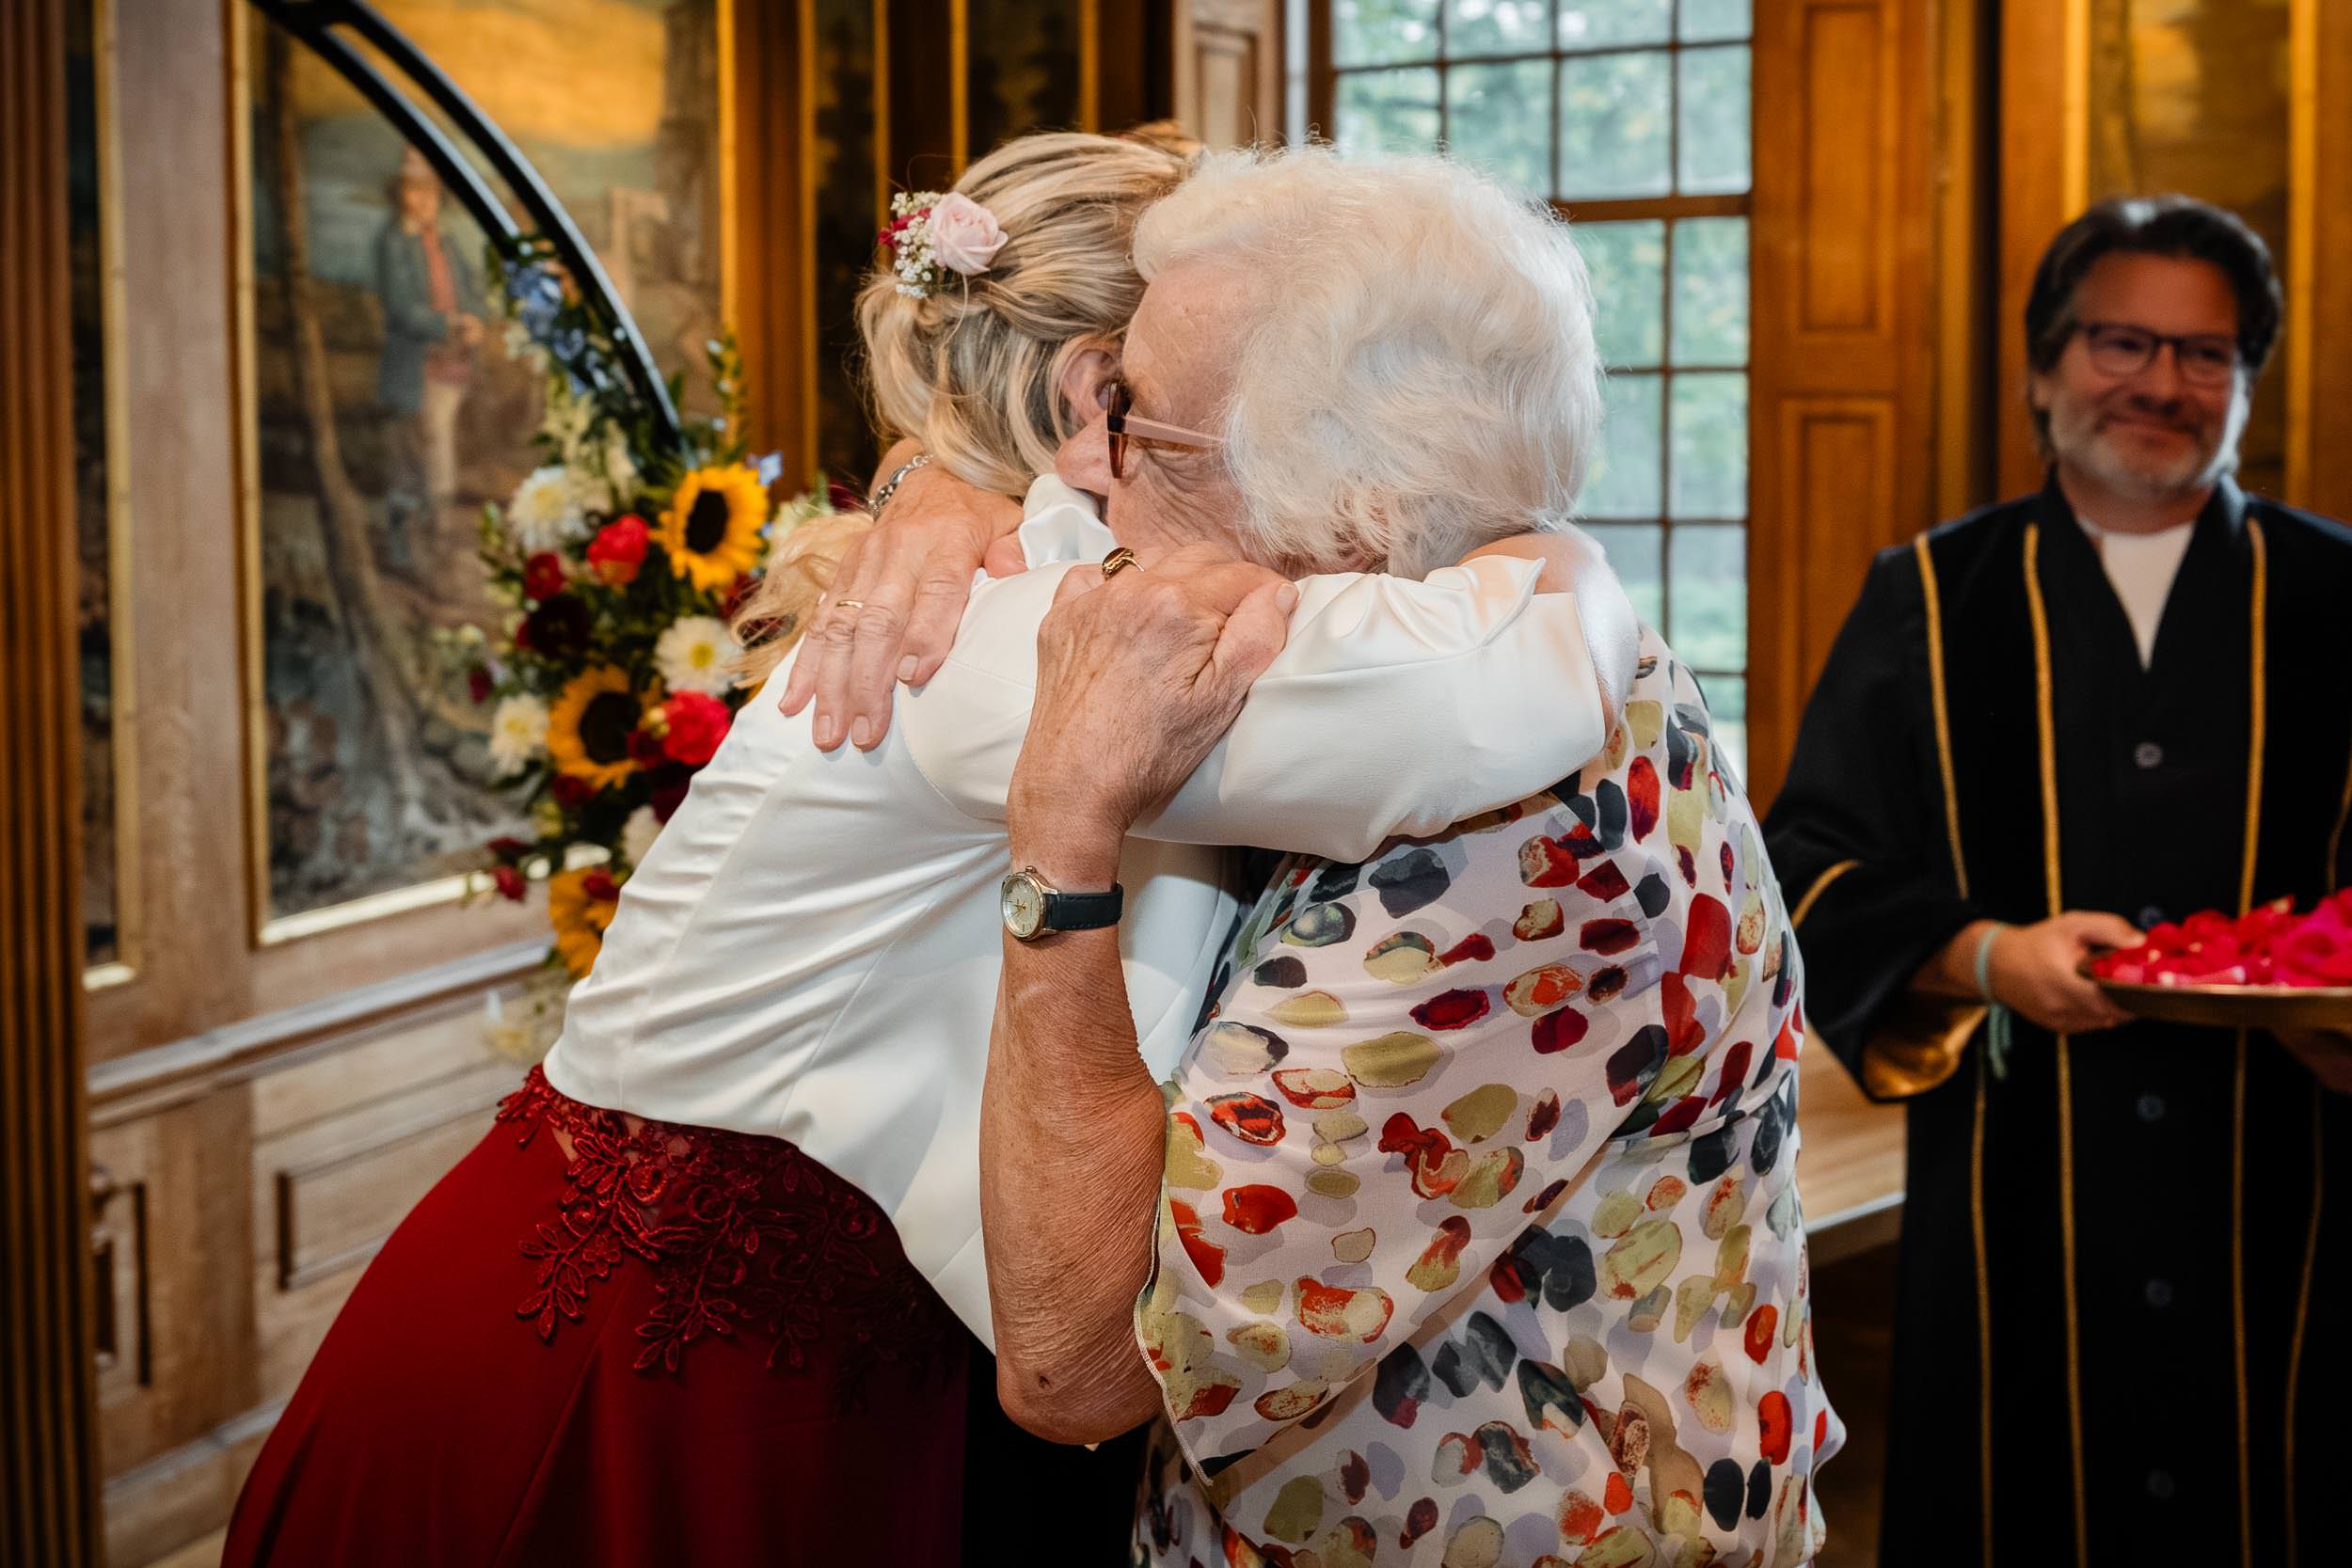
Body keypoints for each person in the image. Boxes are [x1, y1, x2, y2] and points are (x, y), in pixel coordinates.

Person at [224, 130, 1636, 1568]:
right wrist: (1567, 555)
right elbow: (1477, 693)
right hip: (621, 1368)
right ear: (1103, 401)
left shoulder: (1031, 572)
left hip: (837, 1364)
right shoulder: (1017, 627)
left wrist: (924, 475)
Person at [970, 146, 1840, 1566]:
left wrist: (1058, 843)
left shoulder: (1512, 841)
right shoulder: (1469, 672)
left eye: (1138, 426)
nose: (1088, 465)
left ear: (1351, 519)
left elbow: (1078, 1367)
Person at [1765, 194, 2352, 1565]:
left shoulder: (2338, 595)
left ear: (2248, 384)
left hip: (2297, 1180)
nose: (2161, 382)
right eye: (2122, 341)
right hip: (2017, 1174)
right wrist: (1981, 954)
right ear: (2042, 367)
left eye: (2207, 354)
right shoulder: (1930, 592)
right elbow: (1804, 862)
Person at [373, 147, 486, 578]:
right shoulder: (394, 245)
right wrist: (449, 324)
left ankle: (438, 542)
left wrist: (474, 318)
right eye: (415, 191)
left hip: (450, 366)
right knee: (410, 456)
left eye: (431, 193)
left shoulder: (445, 243)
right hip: (413, 368)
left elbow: (469, 289)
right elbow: (402, 308)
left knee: (440, 451)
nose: (424, 201)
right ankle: (405, 546)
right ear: (400, 194)